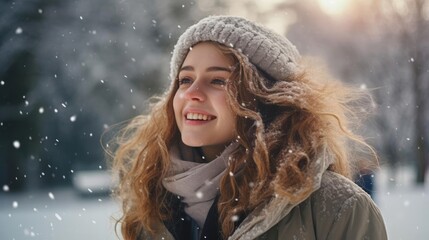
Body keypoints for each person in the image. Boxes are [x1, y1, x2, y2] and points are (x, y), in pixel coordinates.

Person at [109, 15, 388, 240]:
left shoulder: (338, 209)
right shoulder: (150, 213)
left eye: (218, 81)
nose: (192, 93)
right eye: (184, 80)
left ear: (265, 98)